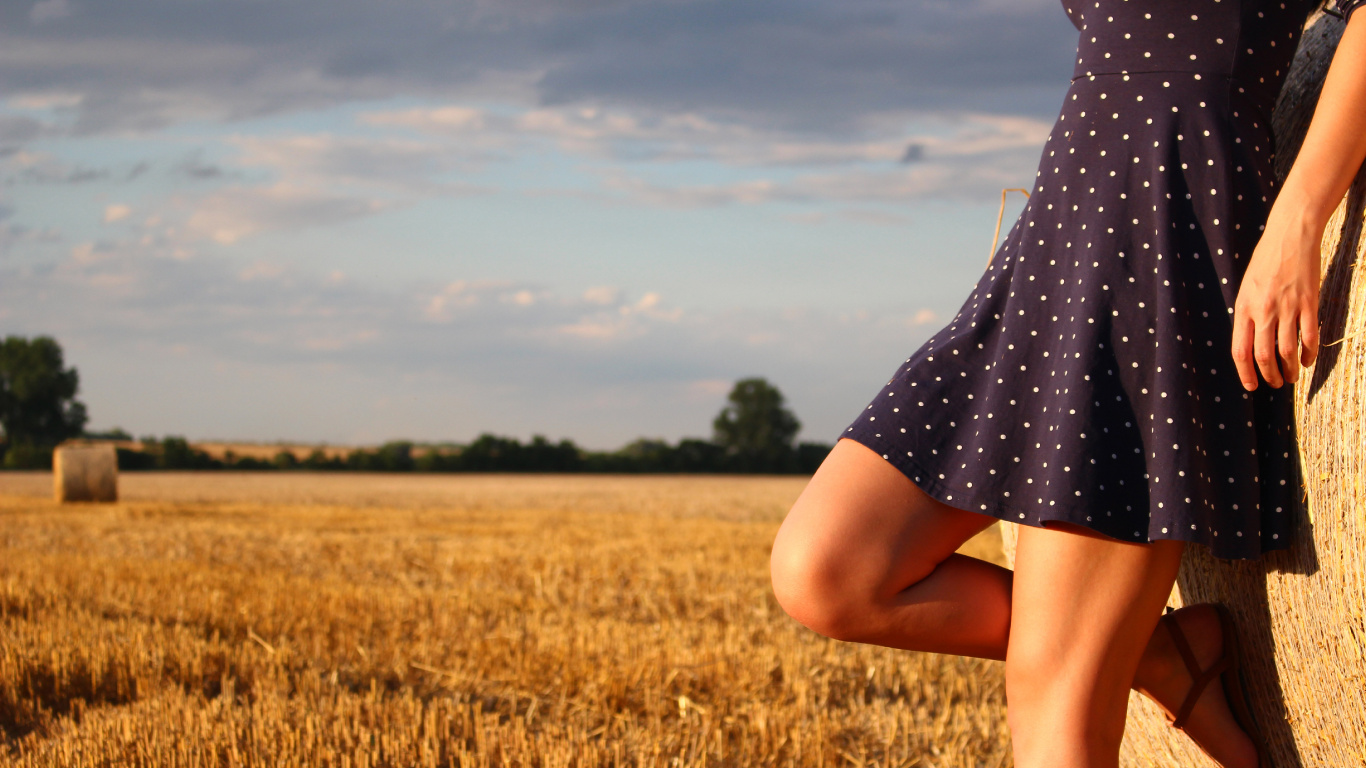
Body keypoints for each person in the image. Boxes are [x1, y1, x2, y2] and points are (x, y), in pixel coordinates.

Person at [769, 0, 1366, 765]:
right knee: (826, 571)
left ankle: (1117, 658)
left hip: (1161, 245)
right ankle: (1152, 653)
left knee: (1054, 711)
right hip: (1053, 246)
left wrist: (1296, 226)